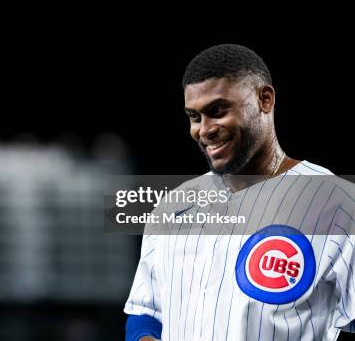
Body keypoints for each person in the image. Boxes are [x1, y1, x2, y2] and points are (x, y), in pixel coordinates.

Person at [124, 44, 355, 340]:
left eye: (218, 111)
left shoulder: (338, 204)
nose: (204, 130)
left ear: (265, 99)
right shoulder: (174, 206)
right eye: (195, 117)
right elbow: (146, 314)